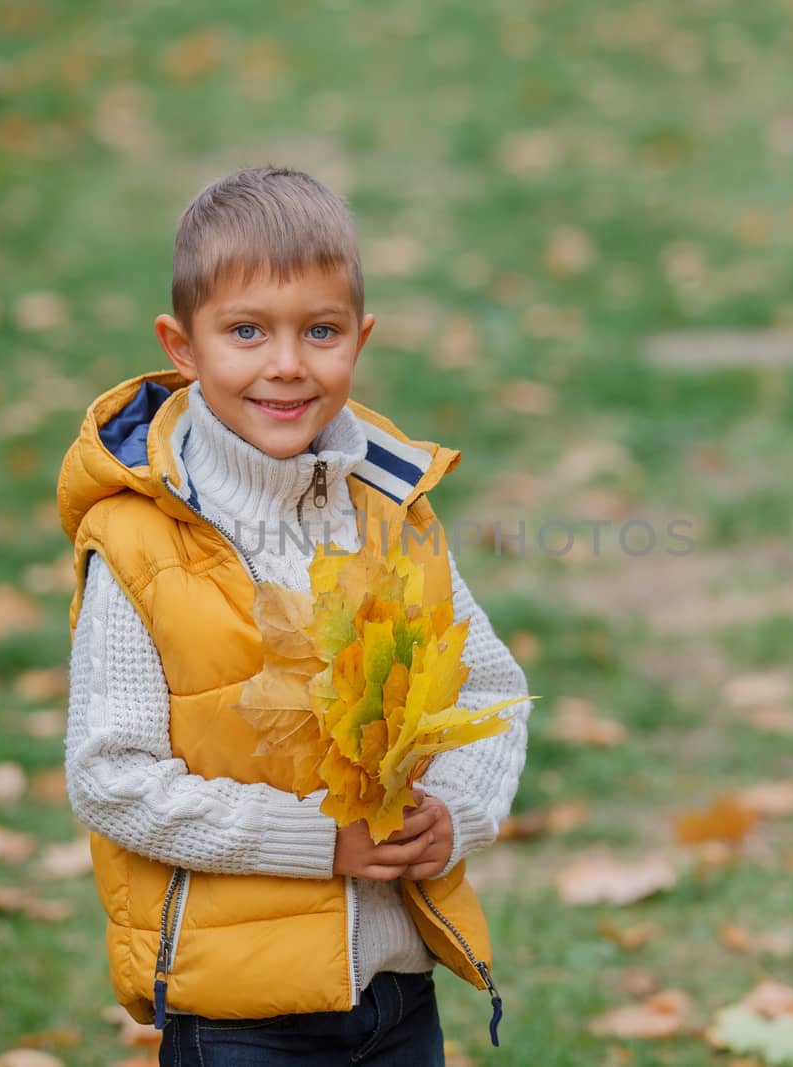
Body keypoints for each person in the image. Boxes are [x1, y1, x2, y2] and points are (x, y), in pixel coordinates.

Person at [57, 165, 532, 1066]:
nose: (286, 363)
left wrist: (459, 813)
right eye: (246, 331)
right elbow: (111, 777)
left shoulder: (390, 512)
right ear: (183, 346)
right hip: (239, 1012)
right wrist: (323, 839)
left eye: (320, 330)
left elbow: (492, 690)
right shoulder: (137, 542)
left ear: (360, 335)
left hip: (398, 989)